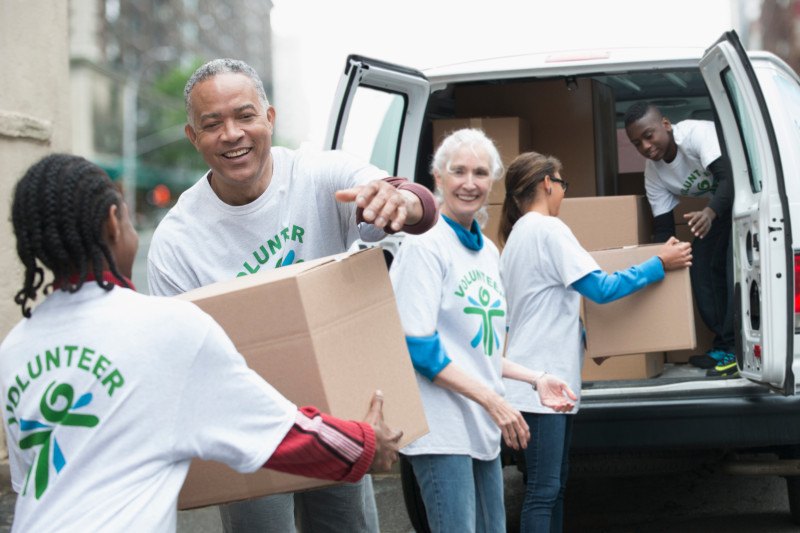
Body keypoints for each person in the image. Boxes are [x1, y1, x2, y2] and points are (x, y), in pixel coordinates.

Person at [0, 154, 403, 533]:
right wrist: (368, 444)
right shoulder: (164, 326)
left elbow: (29, 481)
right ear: (112, 222)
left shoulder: (14, 348)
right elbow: (278, 433)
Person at [146, 58, 438, 533]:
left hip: (337, 411)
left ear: (269, 118)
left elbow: (413, 205)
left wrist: (403, 201)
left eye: (244, 115)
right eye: (212, 124)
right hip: (248, 431)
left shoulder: (321, 176)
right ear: (193, 137)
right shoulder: (177, 243)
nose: (232, 134)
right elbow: (178, 364)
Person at [389, 130, 577, 533]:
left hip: (480, 429)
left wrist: (537, 377)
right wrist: (495, 401)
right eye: (458, 171)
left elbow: (479, 351)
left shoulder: (488, 252)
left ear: (491, 181)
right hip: (442, 431)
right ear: (437, 178)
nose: (469, 182)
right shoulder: (425, 245)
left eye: (479, 172)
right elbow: (418, 348)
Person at [498, 151, 692, 533]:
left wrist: (590, 341)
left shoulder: (517, 235)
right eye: (562, 183)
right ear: (546, 183)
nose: (562, 194)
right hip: (542, 385)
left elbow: (544, 308)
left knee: (552, 488)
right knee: (544, 490)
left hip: (542, 382)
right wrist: (659, 262)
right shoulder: (548, 229)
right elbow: (601, 289)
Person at [624, 102, 736, 377]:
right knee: (700, 269)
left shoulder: (696, 135)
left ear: (665, 124)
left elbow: (730, 179)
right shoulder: (653, 173)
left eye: (649, 135)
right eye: (637, 143)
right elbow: (663, 227)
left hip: (747, 200)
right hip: (719, 211)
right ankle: (725, 344)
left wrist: (709, 212)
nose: (646, 147)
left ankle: (738, 348)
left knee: (733, 268)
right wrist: (658, 262)